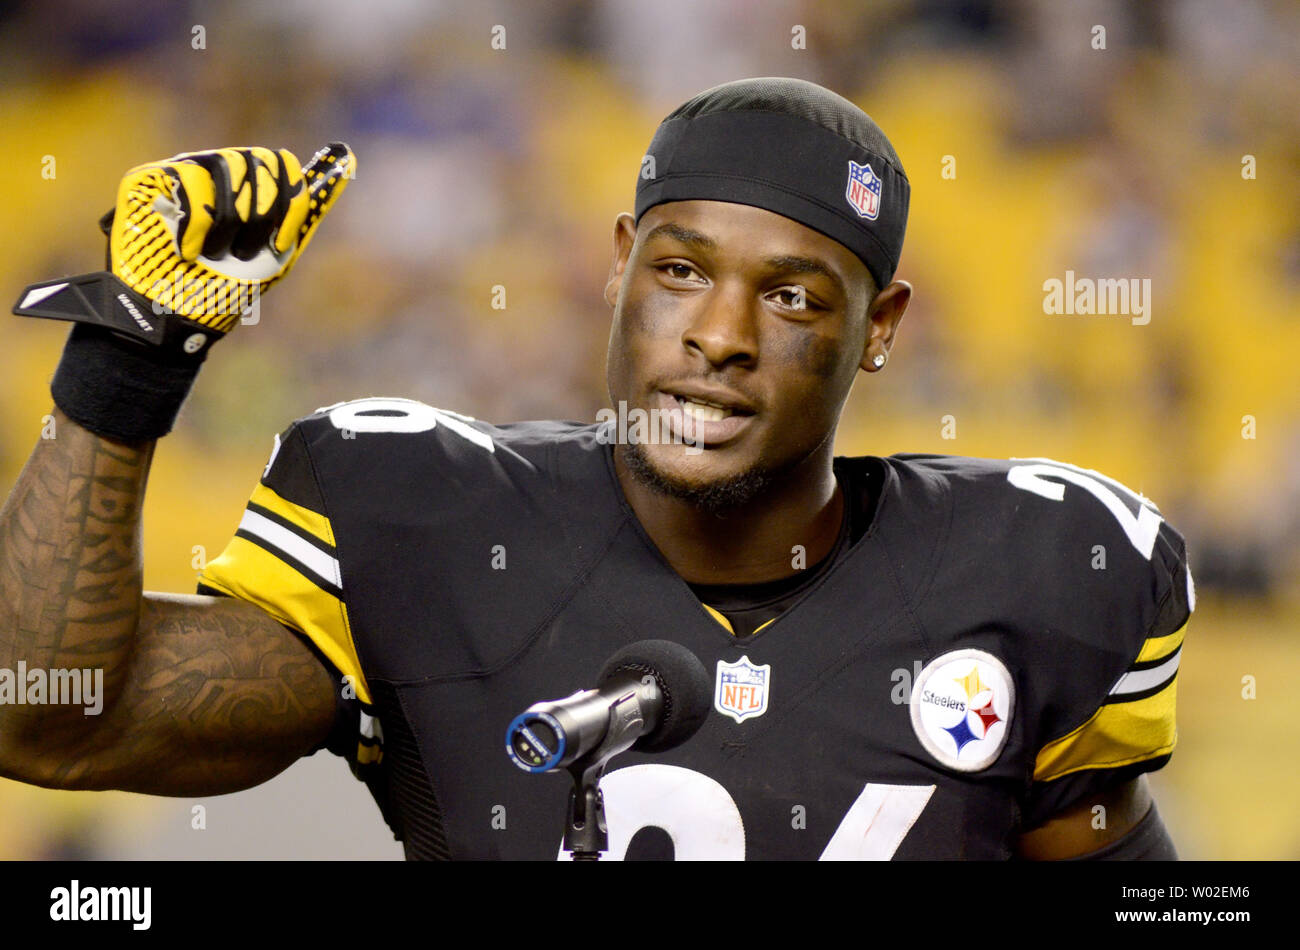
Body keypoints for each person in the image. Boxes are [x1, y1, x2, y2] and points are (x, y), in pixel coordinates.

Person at [0, 78, 1189, 860]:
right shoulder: (434, 522)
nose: (719, 333)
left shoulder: (1037, 569)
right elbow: (50, 724)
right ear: (620, 266)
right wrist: (124, 367)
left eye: (788, 295)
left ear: (879, 327)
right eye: (680, 271)